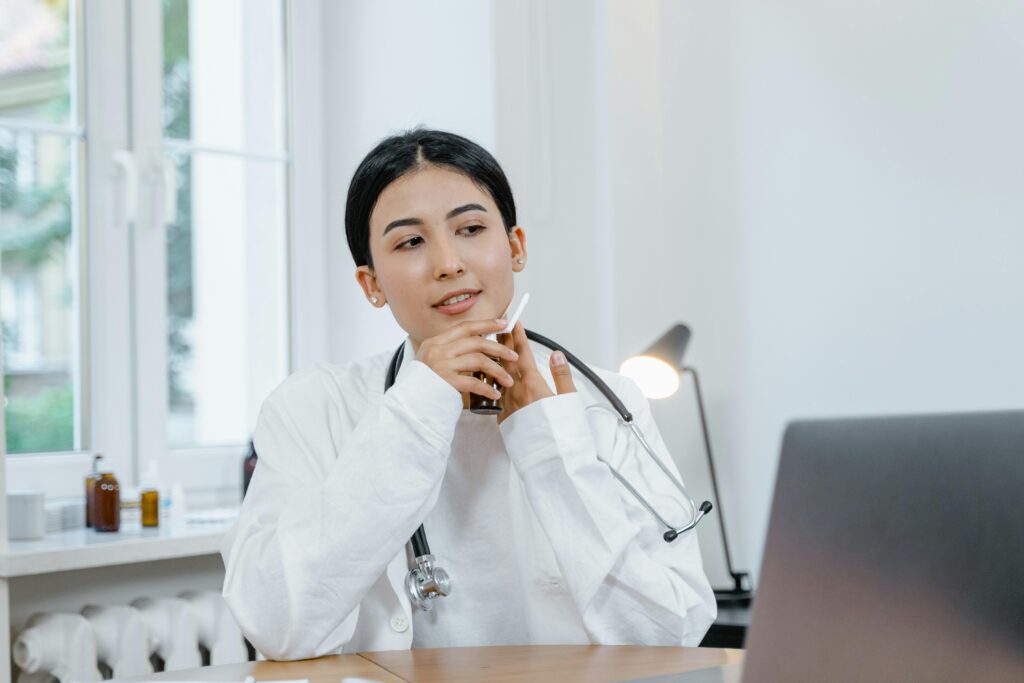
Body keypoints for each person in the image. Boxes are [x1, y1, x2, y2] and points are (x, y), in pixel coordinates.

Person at [220, 129, 716, 659]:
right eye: (410, 242)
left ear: (515, 247)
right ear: (371, 285)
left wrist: (553, 447)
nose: (448, 263)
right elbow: (277, 625)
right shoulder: (313, 407)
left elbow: (670, 639)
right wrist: (418, 409)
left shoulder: (604, 401)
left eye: (471, 228)